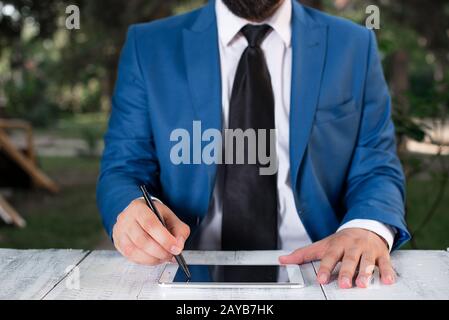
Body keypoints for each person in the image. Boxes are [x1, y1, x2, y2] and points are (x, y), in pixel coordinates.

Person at [97, 0, 410, 289]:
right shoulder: (148, 45)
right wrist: (128, 209)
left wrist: (367, 227)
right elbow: (124, 169)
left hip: (323, 273)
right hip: (185, 270)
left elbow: (376, 166)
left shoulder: (354, 45)